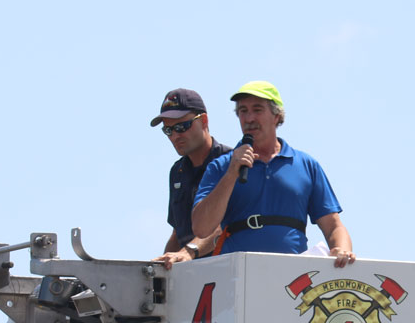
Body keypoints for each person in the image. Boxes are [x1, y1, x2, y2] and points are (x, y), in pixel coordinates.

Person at [192, 80, 355, 267]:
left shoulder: (306, 165)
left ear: (276, 116)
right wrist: (231, 174)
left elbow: (333, 226)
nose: (249, 118)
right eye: (243, 111)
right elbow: (202, 228)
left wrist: (342, 250)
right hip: (237, 276)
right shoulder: (221, 166)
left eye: (257, 109)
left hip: (292, 280)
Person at [150, 88, 232, 270]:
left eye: (181, 127)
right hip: (191, 277)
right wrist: (157, 271)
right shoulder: (177, 171)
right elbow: (177, 234)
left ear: (204, 121)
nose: (175, 136)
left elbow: (225, 224)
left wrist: (188, 252)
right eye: (168, 130)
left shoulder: (232, 163)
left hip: (227, 272)